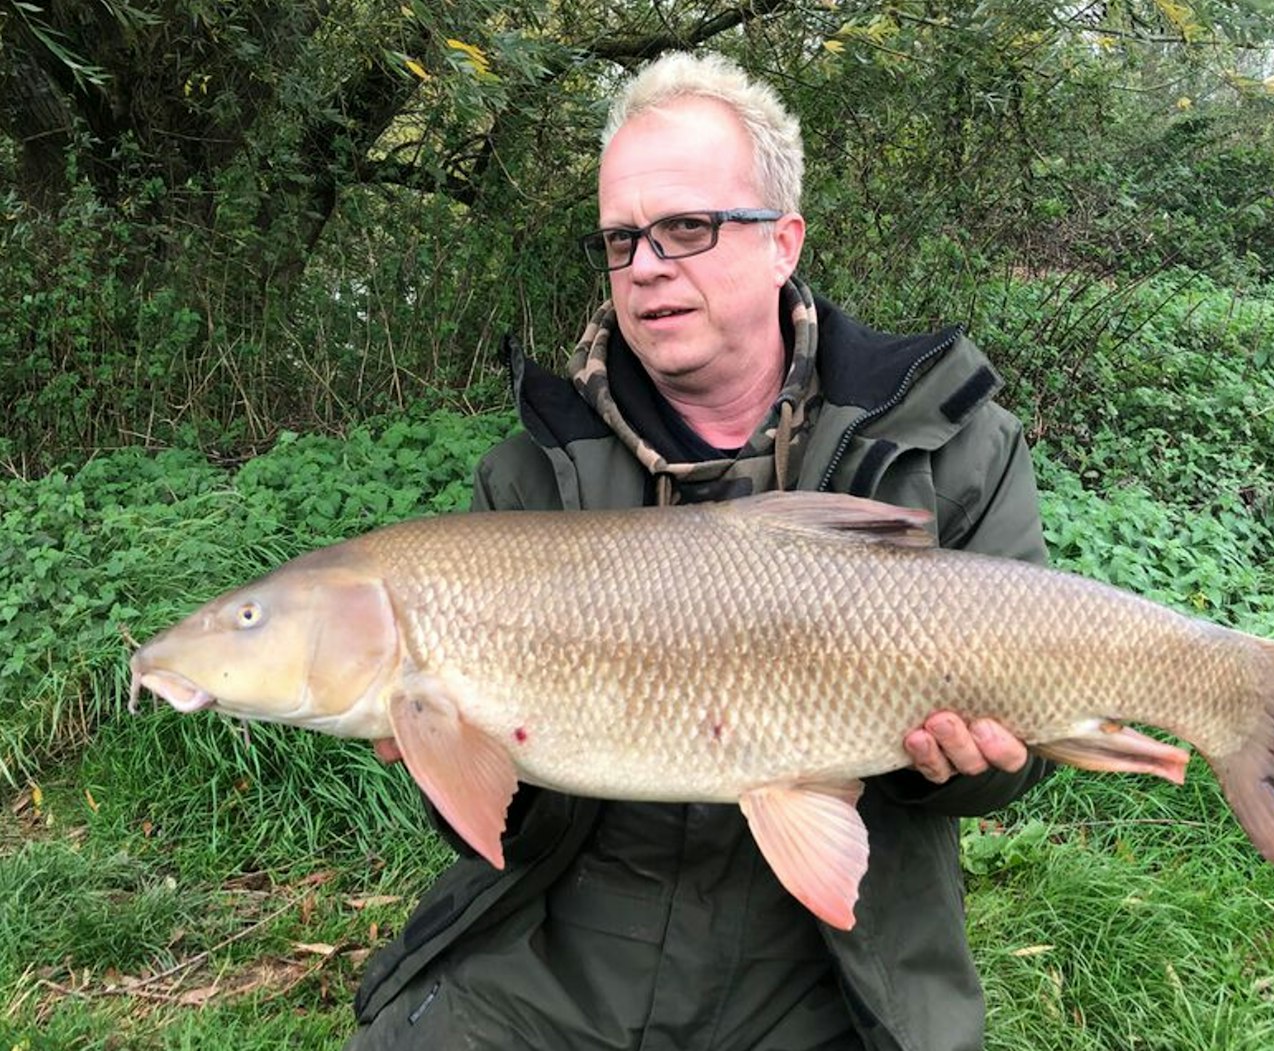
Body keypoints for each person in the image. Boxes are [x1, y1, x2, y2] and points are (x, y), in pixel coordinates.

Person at [347, 51, 1050, 1051]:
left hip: (835, 964)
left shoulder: (948, 448)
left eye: (688, 227)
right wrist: (443, 749)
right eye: (622, 238)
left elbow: (1009, 769)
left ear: (783, 242)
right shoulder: (532, 478)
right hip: (562, 944)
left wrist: (955, 765)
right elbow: (491, 829)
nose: (645, 266)